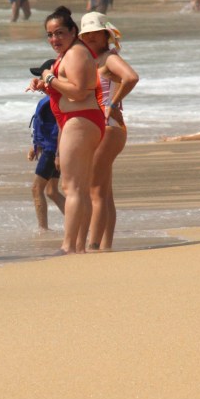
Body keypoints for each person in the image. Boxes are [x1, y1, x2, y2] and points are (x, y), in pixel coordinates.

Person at [27, 6, 104, 254]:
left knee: (71, 188)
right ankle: (78, 245)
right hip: (80, 120)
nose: (54, 39)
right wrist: (45, 83)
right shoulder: (71, 54)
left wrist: (49, 79)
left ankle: (68, 245)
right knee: (78, 187)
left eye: (59, 33)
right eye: (49, 35)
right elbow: (68, 87)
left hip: (80, 120)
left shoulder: (75, 53)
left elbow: (80, 91)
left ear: (73, 31)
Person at [78, 12, 139, 250]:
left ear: (106, 35)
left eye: (96, 32)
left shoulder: (108, 58)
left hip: (109, 126)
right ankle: (105, 245)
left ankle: (92, 246)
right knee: (104, 191)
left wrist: (113, 103)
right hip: (102, 126)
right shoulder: (91, 60)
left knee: (95, 190)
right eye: (87, 33)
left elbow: (131, 78)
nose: (91, 37)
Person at [27, 60, 65, 232]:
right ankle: (78, 219)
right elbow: (41, 125)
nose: (38, 82)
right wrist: (34, 146)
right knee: (51, 191)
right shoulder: (50, 98)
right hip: (50, 149)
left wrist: (57, 153)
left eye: (41, 77)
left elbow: (59, 127)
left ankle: (43, 228)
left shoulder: (55, 100)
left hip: (52, 150)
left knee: (36, 189)